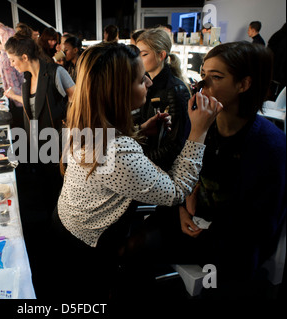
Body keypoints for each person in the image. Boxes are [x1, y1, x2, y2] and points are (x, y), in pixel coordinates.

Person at [50, 41, 222, 300]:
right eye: (142, 80)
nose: (149, 84)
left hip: (65, 223)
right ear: (118, 91)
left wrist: (141, 131)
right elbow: (176, 191)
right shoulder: (117, 150)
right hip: (88, 245)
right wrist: (199, 132)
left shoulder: (85, 123)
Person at [142, 41, 286, 298]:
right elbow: (182, 174)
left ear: (244, 84)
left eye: (216, 77)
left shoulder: (270, 145)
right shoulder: (198, 122)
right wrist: (183, 208)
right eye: (203, 75)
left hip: (231, 241)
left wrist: (203, 225)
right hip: (193, 220)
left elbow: (259, 224)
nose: (202, 85)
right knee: (134, 247)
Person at [4, 34, 75, 297]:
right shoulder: (26, 79)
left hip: (57, 147)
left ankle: (66, 246)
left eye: (13, 60)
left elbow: (77, 99)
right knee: (47, 196)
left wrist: (69, 127)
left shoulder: (55, 73)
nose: (11, 65)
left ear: (24, 57)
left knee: (62, 194)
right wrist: (13, 95)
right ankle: (54, 239)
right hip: (38, 148)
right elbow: (34, 107)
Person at [134, 28, 191, 171]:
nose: (138, 60)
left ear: (161, 55)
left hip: (159, 168)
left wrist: (141, 160)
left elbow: (175, 144)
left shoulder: (175, 91)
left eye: (144, 54)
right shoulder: (147, 84)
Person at [0, 22, 25, 128]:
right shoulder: (7, 58)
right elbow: (13, 83)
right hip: (17, 100)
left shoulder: (5, 56)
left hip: (17, 99)